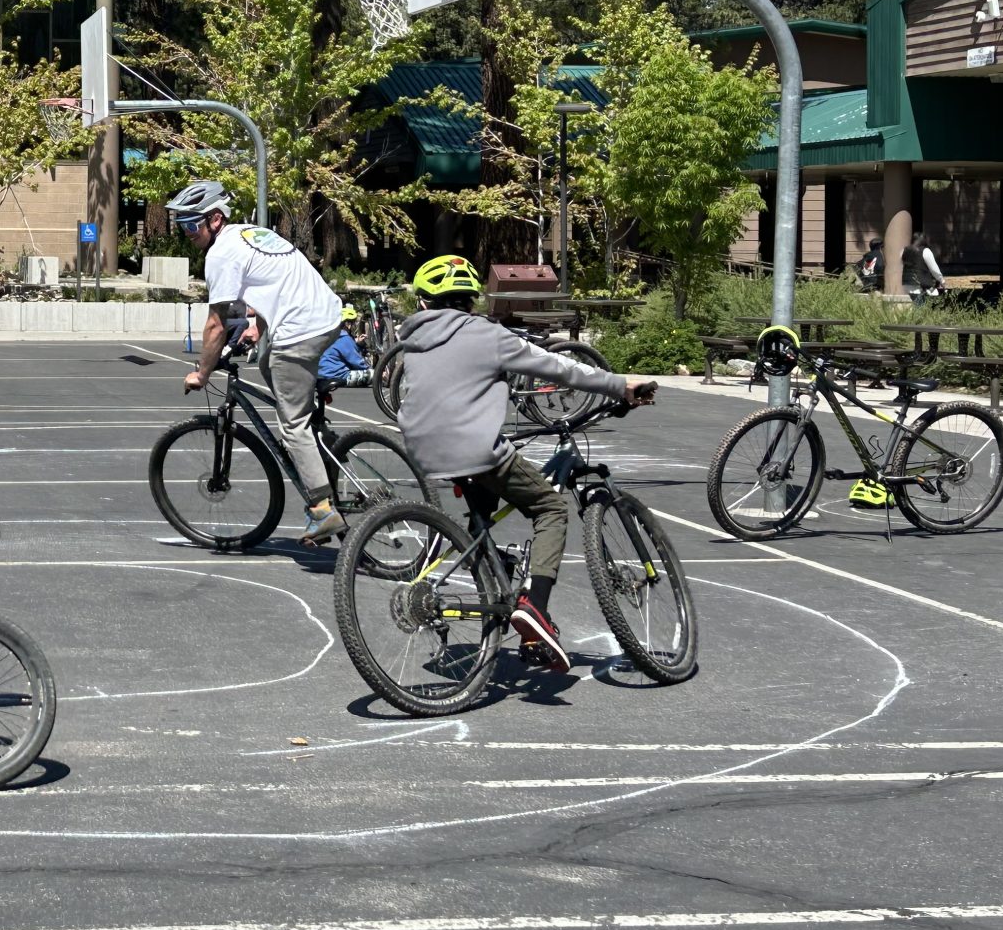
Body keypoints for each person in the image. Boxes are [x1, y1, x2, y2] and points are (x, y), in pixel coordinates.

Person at [397, 254, 656, 673]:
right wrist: (619, 384)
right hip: (475, 448)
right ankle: (534, 607)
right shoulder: (487, 333)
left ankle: (494, 578)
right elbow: (557, 366)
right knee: (549, 507)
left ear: (424, 303)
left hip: (423, 448)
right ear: (472, 299)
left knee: (482, 514)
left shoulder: (412, 340)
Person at [168, 179, 350, 545]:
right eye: (182, 225)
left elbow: (216, 323)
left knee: (291, 425)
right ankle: (320, 439)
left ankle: (322, 509)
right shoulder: (251, 234)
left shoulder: (221, 254)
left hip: (301, 331)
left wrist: (202, 372)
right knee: (268, 364)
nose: (187, 233)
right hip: (327, 316)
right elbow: (275, 285)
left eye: (191, 224)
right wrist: (258, 327)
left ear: (215, 219)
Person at [318, 322, 373, 387]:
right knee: (375, 375)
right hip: (337, 376)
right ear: (348, 325)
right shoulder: (344, 338)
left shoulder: (327, 337)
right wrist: (371, 369)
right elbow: (358, 362)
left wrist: (357, 343)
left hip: (321, 375)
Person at [904, 231, 946, 303]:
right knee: (924, 306)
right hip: (920, 286)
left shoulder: (905, 251)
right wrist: (942, 280)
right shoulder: (926, 251)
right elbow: (934, 269)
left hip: (907, 285)